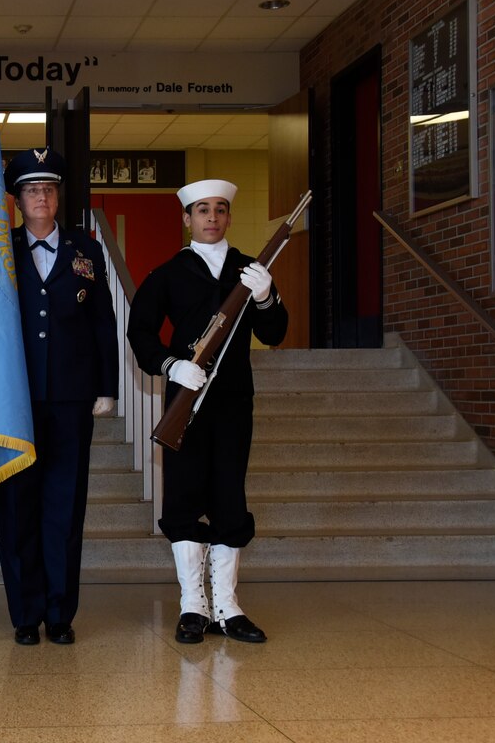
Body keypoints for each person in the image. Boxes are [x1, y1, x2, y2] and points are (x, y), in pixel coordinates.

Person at [126, 178, 286, 645]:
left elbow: (275, 333)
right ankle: (192, 606)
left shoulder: (250, 270)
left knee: (230, 499)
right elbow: (141, 336)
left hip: (234, 402)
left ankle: (228, 606)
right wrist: (172, 365)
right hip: (185, 404)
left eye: (219, 209)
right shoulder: (168, 273)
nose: (212, 217)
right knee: (183, 498)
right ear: (187, 219)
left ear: (229, 217)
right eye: (202, 210)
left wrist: (265, 297)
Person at [0, 147, 118, 646]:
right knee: (17, 506)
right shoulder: (0, 248)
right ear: (18, 199)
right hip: (14, 399)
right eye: (30, 189)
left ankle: (60, 612)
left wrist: (107, 386)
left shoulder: (85, 248)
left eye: (47, 188)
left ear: (57, 195)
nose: (40, 196)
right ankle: (25, 614)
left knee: (65, 508)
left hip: (71, 398)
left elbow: (103, 322)